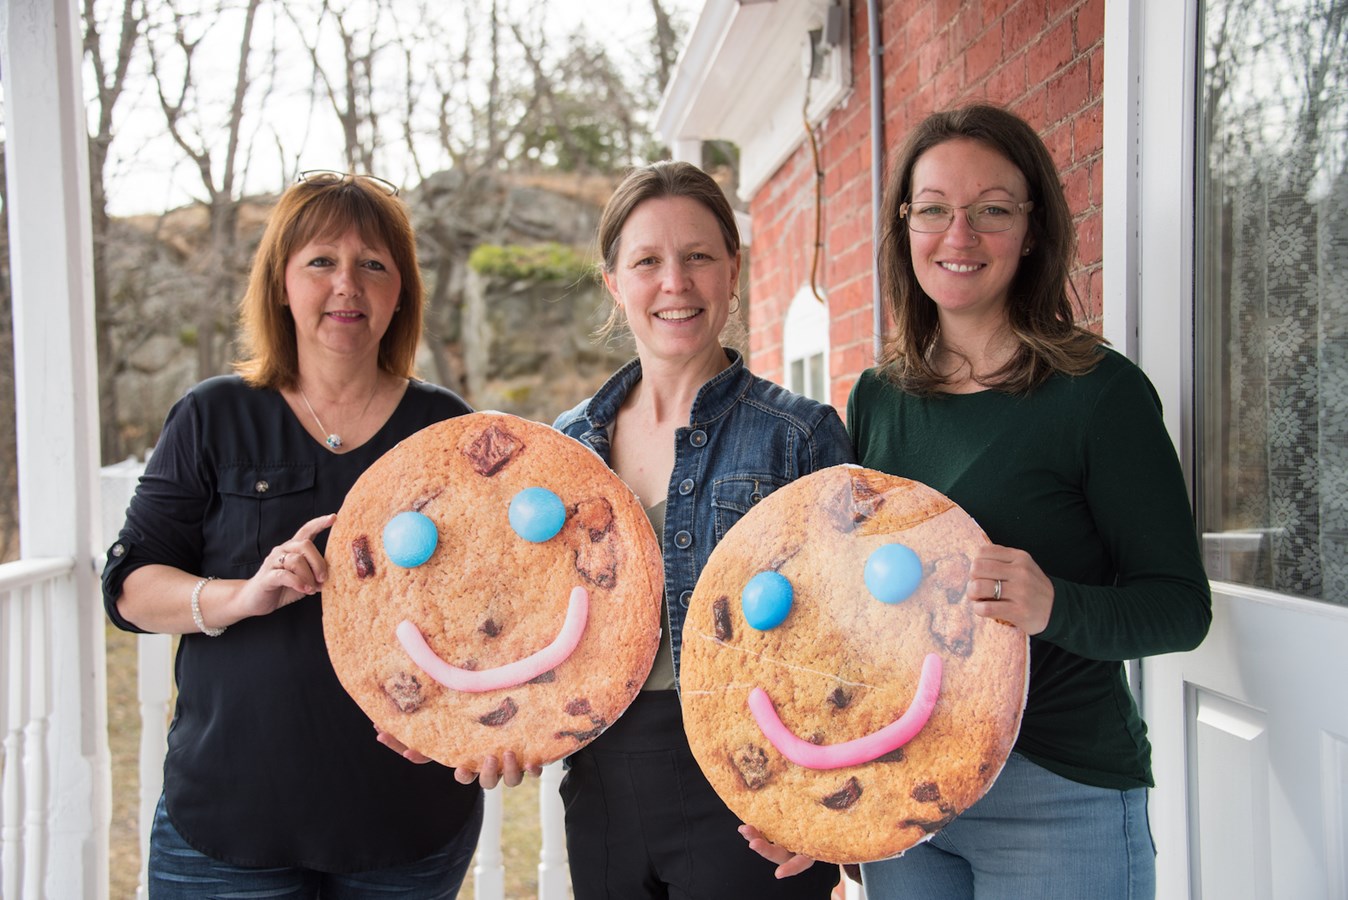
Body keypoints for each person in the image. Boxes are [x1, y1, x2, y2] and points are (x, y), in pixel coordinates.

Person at [752, 104, 1213, 897]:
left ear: (1031, 230)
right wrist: (814, 785)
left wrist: (1054, 605)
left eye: (992, 211)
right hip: (909, 784)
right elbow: (859, 614)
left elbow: (1179, 609)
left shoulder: (1099, 395)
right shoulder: (878, 398)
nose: (958, 236)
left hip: (1058, 795)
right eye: (933, 210)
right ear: (905, 226)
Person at [103, 170, 486, 898]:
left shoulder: (445, 430)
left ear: (399, 290)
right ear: (281, 283)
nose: (348, 284)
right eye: (321, 262)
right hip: (229, 822)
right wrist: (240, 596)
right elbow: (129, 588)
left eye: (374, 264)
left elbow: (490, 608)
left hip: (405, 823)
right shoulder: (214, 415)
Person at [552, 160, 855, 899]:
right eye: (647, 261)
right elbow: (539, 629)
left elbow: (854, 642)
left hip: (751, 777)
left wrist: (818, 802)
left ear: (733, 270)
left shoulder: (800, 436)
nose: (675, 283)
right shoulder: (564, 450)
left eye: (697, 257)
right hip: (601, 781)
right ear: (614, 284)